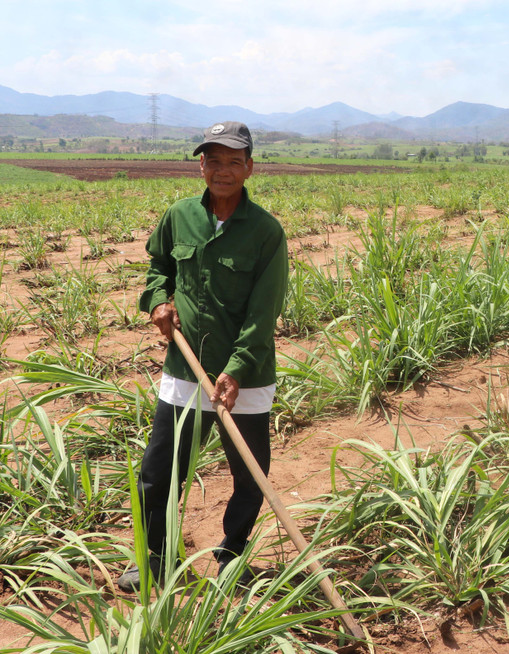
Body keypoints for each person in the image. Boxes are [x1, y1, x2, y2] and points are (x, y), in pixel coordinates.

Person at [118, 121, 289, 591]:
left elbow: (264, 310)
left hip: (246, 376)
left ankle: (232, 557)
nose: (223, 170)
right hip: (185, 368)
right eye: (213, 160)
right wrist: (157, 301)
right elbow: (159, 268)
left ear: (250, 167)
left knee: (249, 476)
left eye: (234, 161)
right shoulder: (179, 216)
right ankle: (154, 556)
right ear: (201, 165)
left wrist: (235, 370)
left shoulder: (266, 232)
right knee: (158, 472)